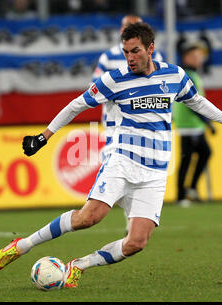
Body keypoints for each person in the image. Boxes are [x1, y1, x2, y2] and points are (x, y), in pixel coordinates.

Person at [0, 23, 222, 289]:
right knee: (88, 218)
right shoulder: (114, 80)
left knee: (136, 243)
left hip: (155, 173)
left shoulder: (175, 76)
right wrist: (44, 136)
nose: (130, 58)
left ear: (150, 48)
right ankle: (22, 245)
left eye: (135, 51)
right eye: (126, 52)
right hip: (123, 161)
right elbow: (76, 105)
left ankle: (78, 266)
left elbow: (197, 101)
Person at [92, 15, 163, 232]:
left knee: (138, 171)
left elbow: (162, 81)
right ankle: (131, 218)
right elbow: (94, 85)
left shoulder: (155, 55)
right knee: (119, 167)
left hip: (146, 124)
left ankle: (134, 219)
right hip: (116, 124)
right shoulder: (108, 57)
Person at [173, 41, 215, 206]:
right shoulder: (187, 75)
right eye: (197, 56)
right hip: (188, 125)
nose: (201, 59)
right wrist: (207, 122)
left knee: (204, 153)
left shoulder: (192, 75)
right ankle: (181, 195)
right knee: (187, 159)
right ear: (187, 57)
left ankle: (190, 188)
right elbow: (192, 104)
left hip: (194, 125)